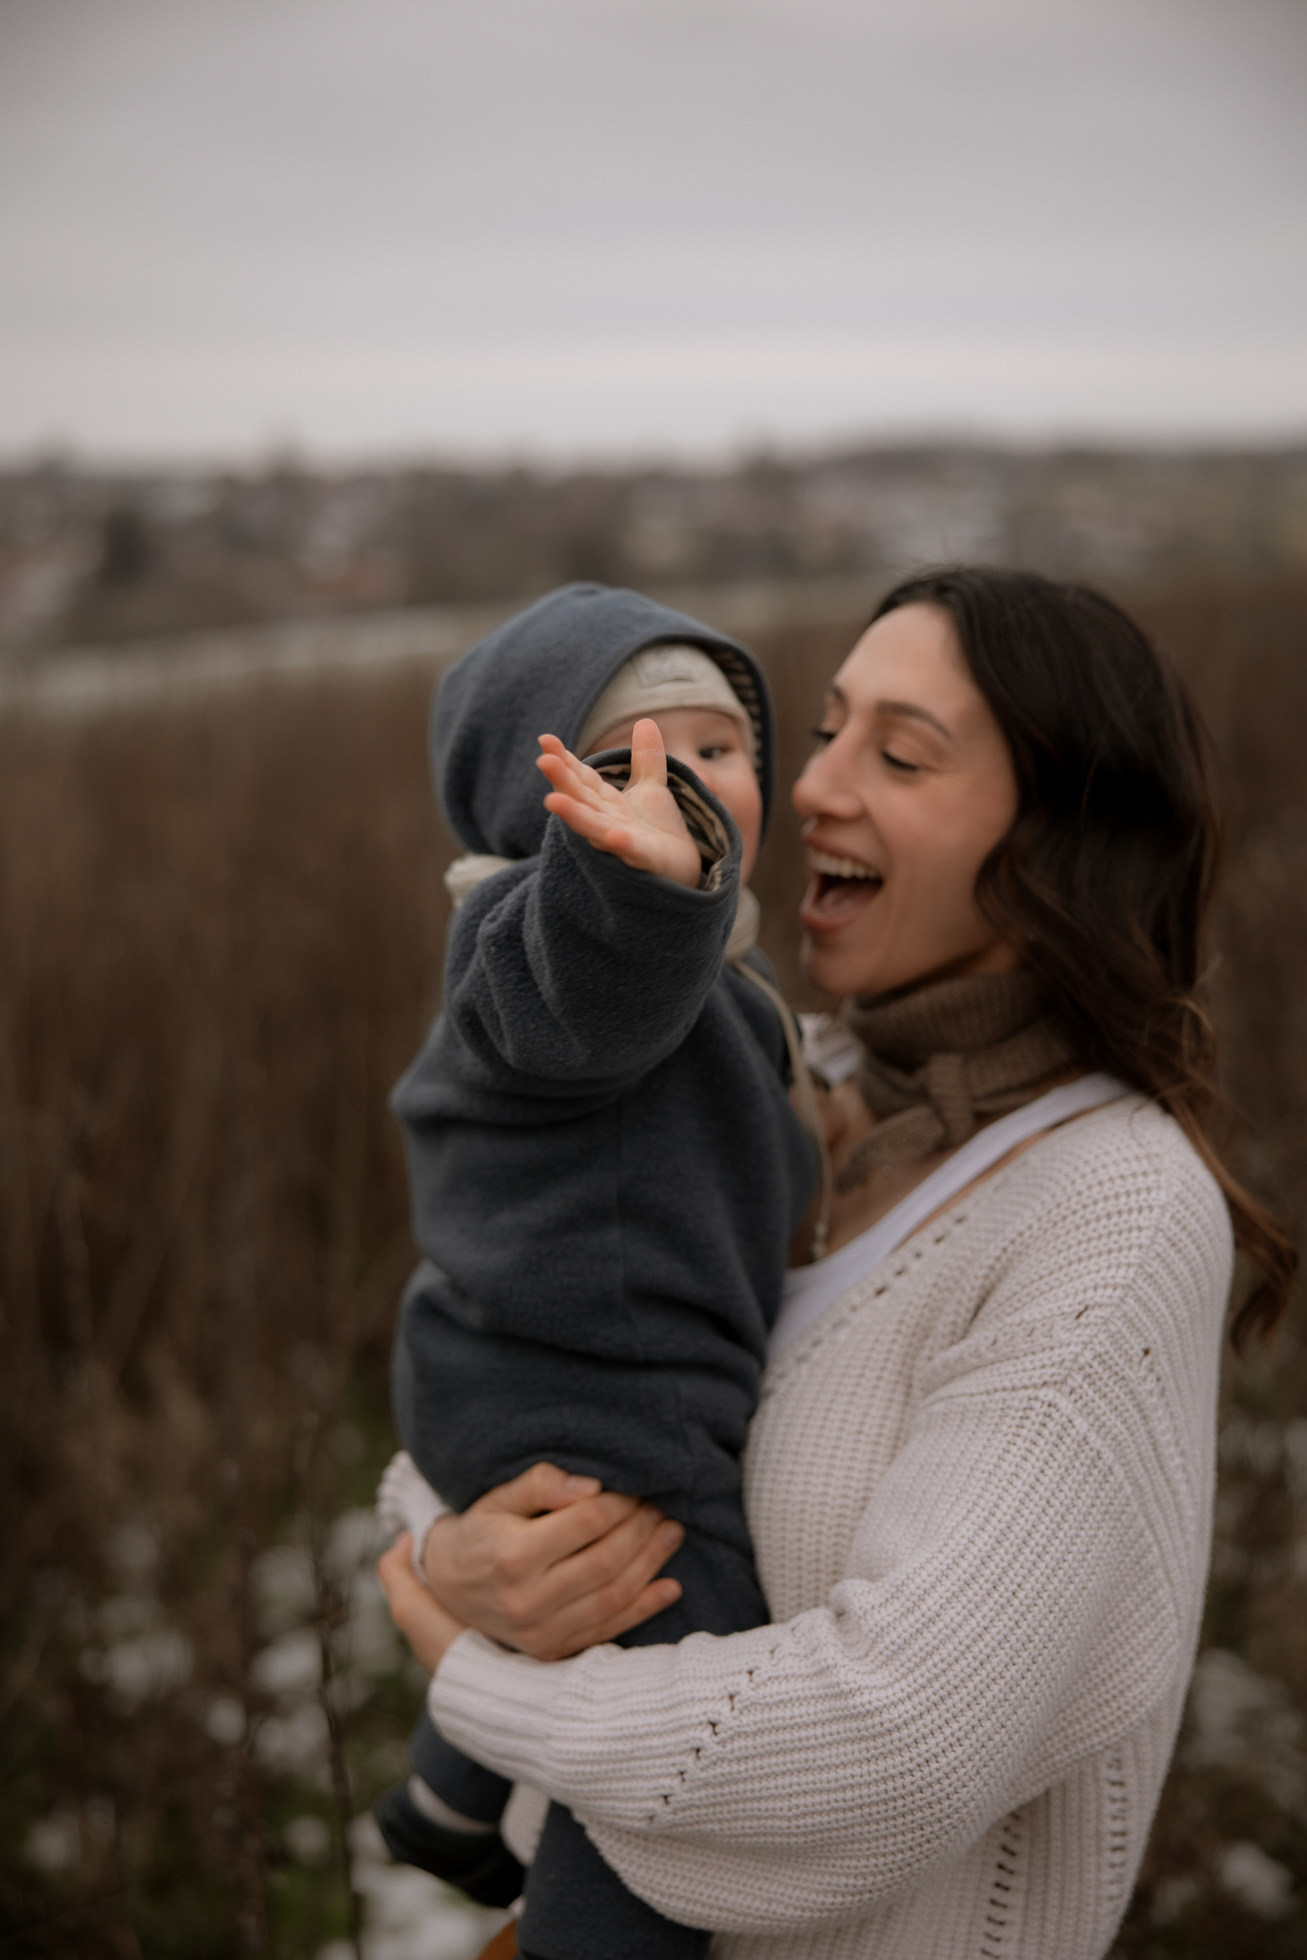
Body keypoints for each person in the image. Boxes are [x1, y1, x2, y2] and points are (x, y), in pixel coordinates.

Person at [378, 568, 1296, 1960]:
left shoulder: (1110, 1209)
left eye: (901, 752)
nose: (809, 793)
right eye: (822, 730)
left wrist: (488, 1690)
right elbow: (544, 1342)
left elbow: (891, 1743)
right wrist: (453, 1557)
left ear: (1061, 832)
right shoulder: (803, 1091)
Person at [376, 584, 822, 1958]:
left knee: (583, 1630)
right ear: (539, 814)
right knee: (691, 1667)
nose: (685, 783)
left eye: (721, 746)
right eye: (626, 757)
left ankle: (450, 1799)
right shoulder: (542, 950)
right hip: (605, 1392)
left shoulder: (716, 969)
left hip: (515, 1360)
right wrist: (639, 878)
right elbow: (602, 977)